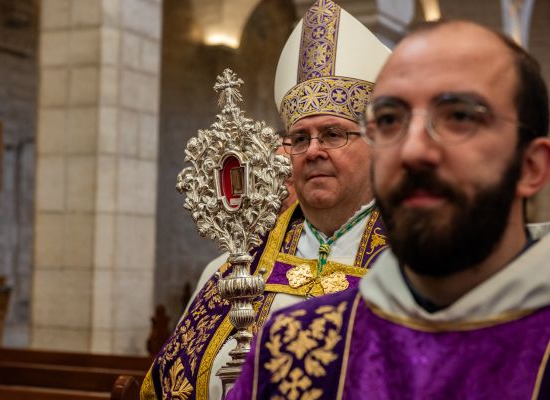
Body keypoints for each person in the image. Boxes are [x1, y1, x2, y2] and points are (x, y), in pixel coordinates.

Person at [227, 20, 550, 399]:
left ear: (531, 167)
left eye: (460, 117)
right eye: (390, 120)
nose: (413, 150)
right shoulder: (287, 347)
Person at [141, 1, 390, 398]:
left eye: (333, 134)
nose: (312, 151)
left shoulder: (417, 267)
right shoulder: (229, 272)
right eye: (299, 138)